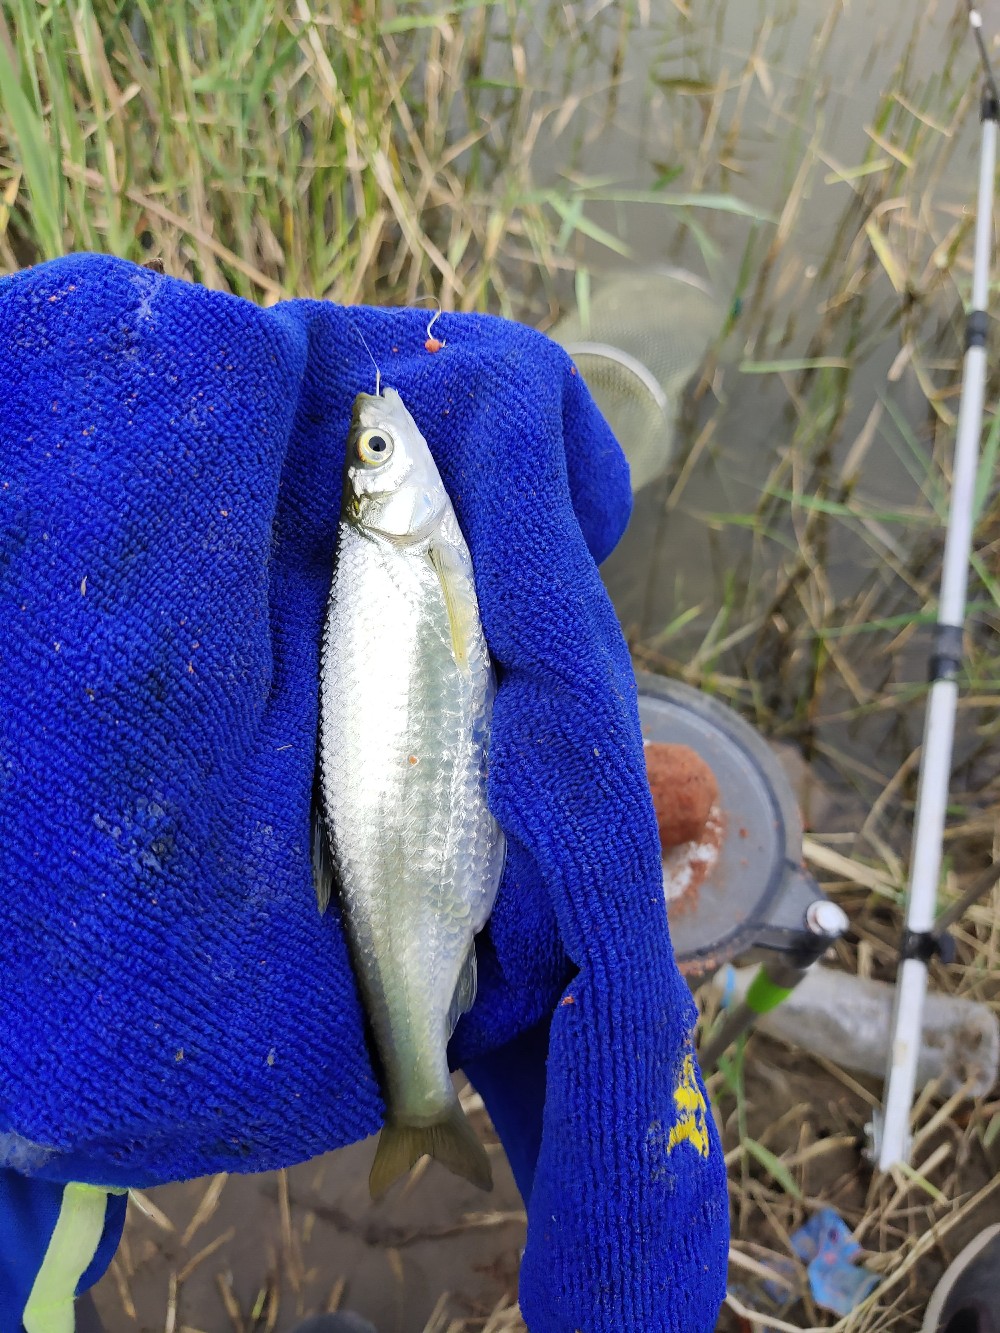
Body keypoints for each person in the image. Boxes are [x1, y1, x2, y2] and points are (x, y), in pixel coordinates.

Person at [0, 254, 729, 1333]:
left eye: (371, 448)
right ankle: (419, 1099)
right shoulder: (412, 548)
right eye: (373, 450)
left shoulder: (387, 545)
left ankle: (415, 1096)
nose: (377, 434)